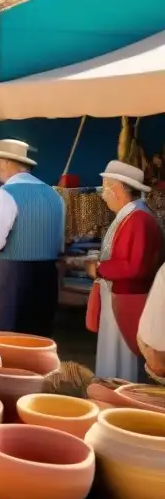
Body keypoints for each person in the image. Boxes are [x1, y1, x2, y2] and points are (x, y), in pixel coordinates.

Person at [85, 161, 164, 380]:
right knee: (115, 353)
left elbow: (136, 266)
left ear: (117, 190)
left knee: (124, 357)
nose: (103, 195)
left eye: (105, 188)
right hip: (120, 297)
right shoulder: (133, 215)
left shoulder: (139, 219)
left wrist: (100, 268)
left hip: (128, 300)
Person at [0, 140, 66, 337]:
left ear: (5, 163)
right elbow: (60, 242)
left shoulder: (5, 194)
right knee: (38, 338)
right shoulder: (55, 195)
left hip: (13, 275)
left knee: (6, 338)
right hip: (47, 275)